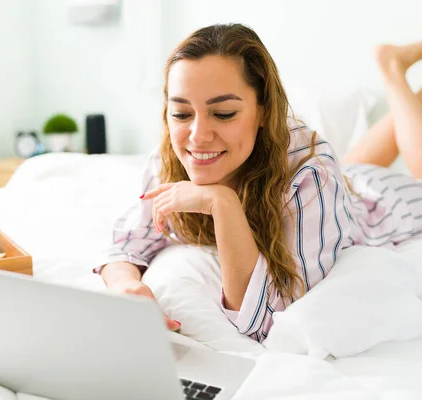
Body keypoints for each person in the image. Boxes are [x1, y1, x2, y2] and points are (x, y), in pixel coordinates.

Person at [93, 23, 422, 342]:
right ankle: (396, 72)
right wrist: (126, 285)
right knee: (348, 171)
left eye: (223, 113)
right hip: (345, 182)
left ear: (264, 110)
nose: (197, 137)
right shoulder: (172, 154)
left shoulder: (313, 177)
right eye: (181, 114)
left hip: (385, 205)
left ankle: (392, 71)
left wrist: (223, 204)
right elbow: (126, 243)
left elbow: (269, 319)